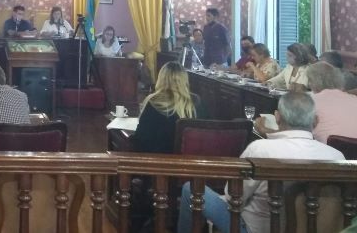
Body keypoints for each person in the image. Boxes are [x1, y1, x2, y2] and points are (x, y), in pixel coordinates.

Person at [177, 92, 345, 233]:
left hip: (253, 229)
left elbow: (233, 196)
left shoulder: (260, 149)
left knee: (190, 189)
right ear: (315, 121)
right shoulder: (337, 156)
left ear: (277, 117)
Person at [132, 62, 199, 154]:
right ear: (185, 80)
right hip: (189, 159)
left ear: (161, 79)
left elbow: (141, 138)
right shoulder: (197, 103)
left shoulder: (154, 101)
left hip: (157, 159)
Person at [304, 62, 357, 143]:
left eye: (309, 80)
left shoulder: (309, 102)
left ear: (313, 82)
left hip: (326, 149)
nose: (308, 84)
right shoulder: (354, 99)